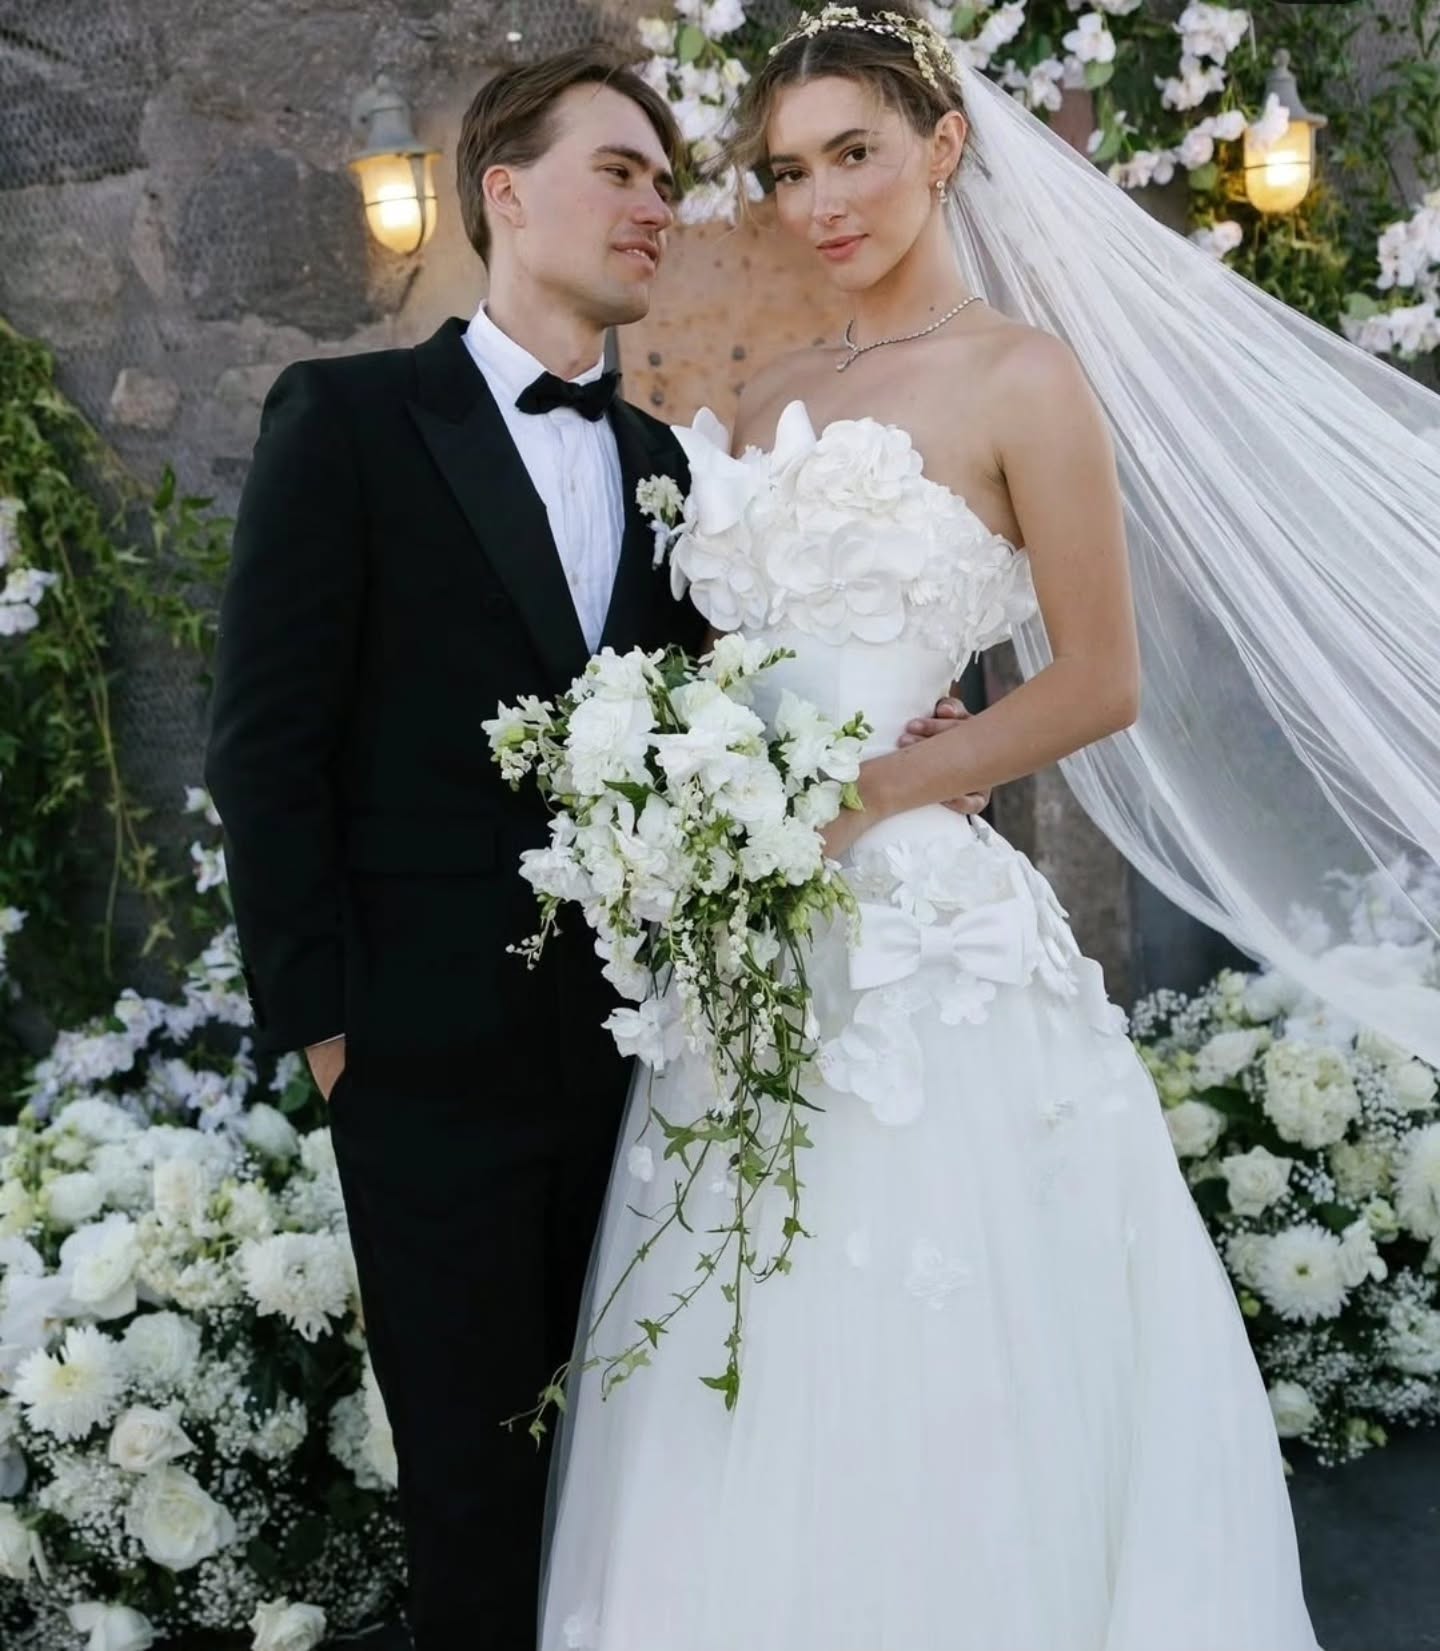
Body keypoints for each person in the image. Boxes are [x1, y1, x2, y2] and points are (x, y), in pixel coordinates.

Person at [537, 8, 1365, 1647]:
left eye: (854, 153)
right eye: (786, 170)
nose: (821, 200)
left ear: (943, 147)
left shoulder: (1023, 376)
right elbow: (725, 665)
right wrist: (712, 782)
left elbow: (1102, 680)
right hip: (748, 936)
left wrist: (892, 781)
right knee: (747, 1342)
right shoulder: (759, 392)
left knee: (943, 1330)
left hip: (922, 935)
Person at [204, 49, 704, 1650]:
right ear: (504, 190)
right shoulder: (347, 418)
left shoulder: (667, 471)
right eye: (621, 170)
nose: (658, 206)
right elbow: (264, 743)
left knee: (638, 1468)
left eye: (667, 182)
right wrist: (331, 1035)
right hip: (419, 1062)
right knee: (471, 1489)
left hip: (637, 1068)